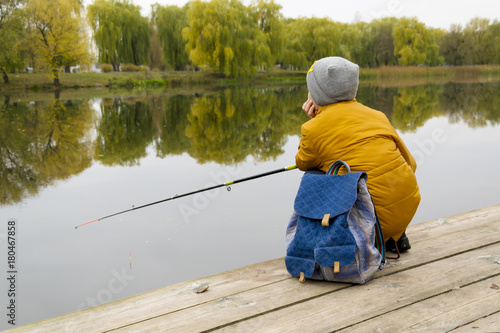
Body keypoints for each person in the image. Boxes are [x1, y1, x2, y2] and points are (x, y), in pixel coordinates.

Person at [295, 56, 421, 253]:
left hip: (367, 224)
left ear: (318, 94)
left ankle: (354, 240)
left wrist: (314, 120)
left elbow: (302, 161)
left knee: (313, 175)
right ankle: (395, 236)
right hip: (405, 211)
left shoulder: (313, 128)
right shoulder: (377, 115)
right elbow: (410, 164)